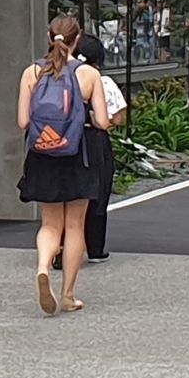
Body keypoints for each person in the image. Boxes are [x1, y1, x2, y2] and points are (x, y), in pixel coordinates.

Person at [17, 15, 110, 315]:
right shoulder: (88, 75)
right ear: (78, 39)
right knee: (74, 226)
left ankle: (44, 266)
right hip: (77, 155)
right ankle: (68, 295)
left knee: (50, 224)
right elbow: (104, 122)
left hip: (44, 155)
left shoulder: (32, 72)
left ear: (49, 36)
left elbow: (22, 122)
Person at [74, 33, 126, 263]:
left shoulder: (60, 77)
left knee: (70, 193)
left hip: (66, 140)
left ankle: (60, 247)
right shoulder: (101, 81)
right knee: (98, 191)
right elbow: (118, 118)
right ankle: (95, 247)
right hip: (95, 141)